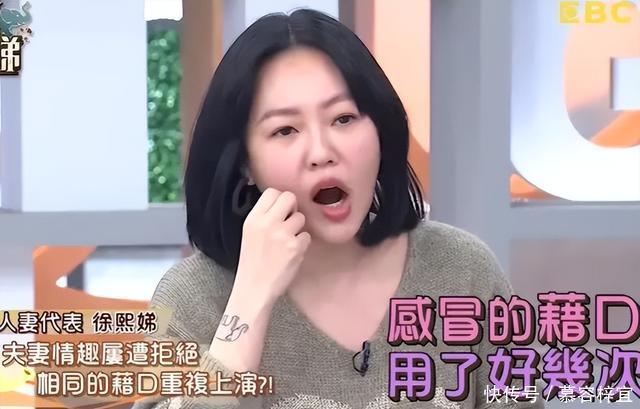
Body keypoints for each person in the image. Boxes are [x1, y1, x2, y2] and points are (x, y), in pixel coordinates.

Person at [133, 8, 544, 409]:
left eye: (343, 119)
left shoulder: (463, 270)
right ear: (244, 162)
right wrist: (249, 302)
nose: (321, 152)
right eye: (285, 130)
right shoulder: (193, 297)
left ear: (380, 129)